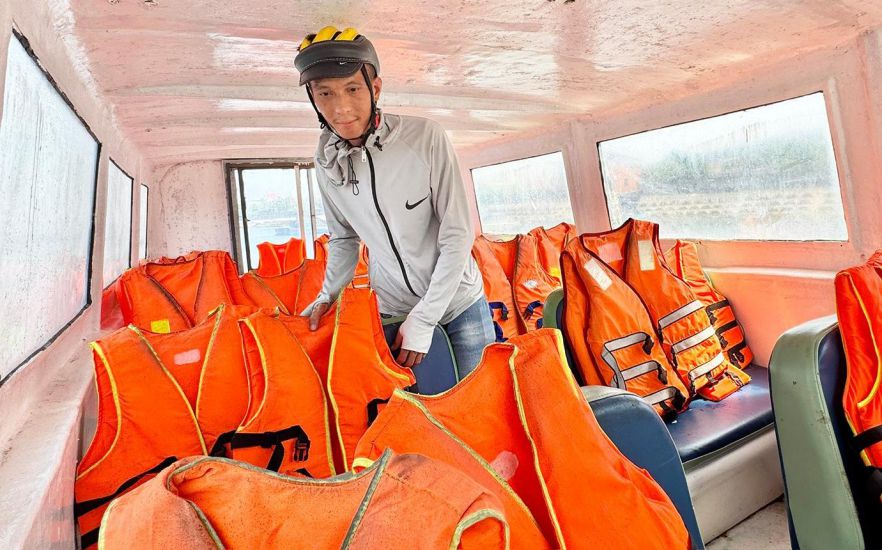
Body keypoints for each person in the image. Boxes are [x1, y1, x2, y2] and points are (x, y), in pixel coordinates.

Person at [294, 26, 495, 375]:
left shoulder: (426, 138)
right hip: (394, 309)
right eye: (324, 93)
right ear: (313, 99)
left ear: (376, 89)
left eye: (352, 89)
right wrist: (328, 296)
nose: (340, 107)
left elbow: (458, 234)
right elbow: (343, 239)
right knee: (416, 417)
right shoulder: (326, 162)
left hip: (460, 304)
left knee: (482, 407)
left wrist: (426, 317)